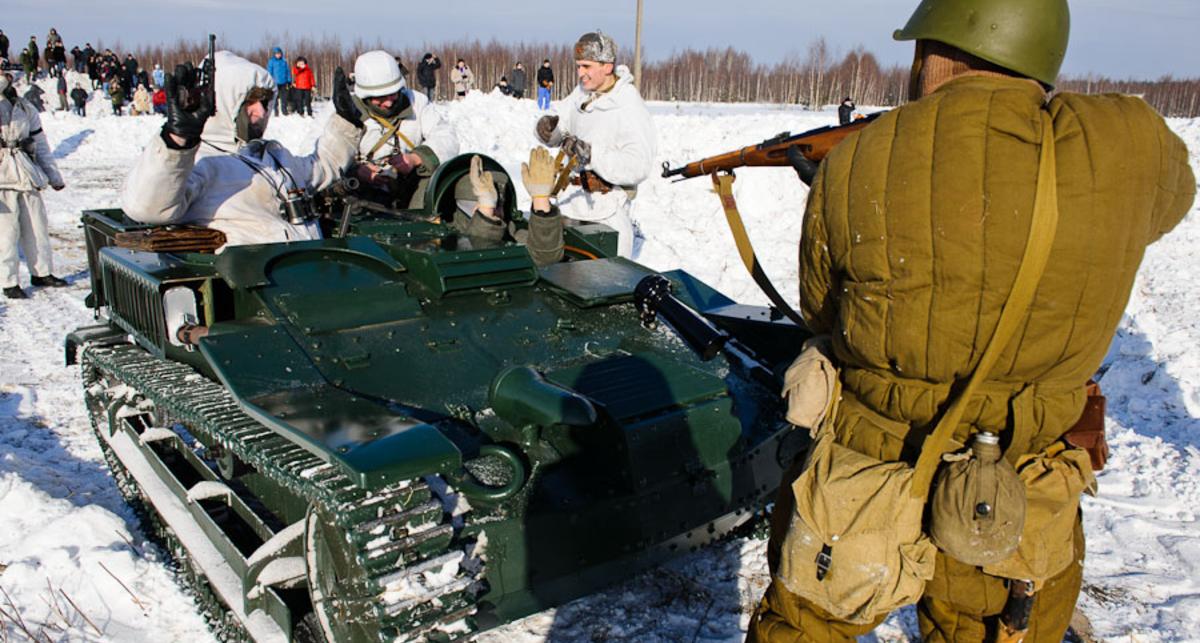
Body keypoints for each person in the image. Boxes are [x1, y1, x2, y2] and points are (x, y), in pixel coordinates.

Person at [745, 1, 1196, 642]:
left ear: (940, 53)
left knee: (804, 629)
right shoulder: (1125, 147)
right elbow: (1173, 194)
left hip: (868, 480)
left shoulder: (854, 165)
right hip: (1023, 490)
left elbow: (823, 312)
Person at [122, 51, 364, 248]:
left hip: (300, 274)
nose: (260, 112)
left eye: (264, 102)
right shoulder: (202, 163)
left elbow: (323, 167)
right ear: (222, 104)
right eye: (249, 102)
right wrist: (177, 140)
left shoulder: (273, 158)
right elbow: (149, 207)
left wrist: (346, 123)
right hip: (248, 288)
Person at [533, 31, 655, 258]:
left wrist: (593, 155)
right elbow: (562, 127)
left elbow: (639, 165)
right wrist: (549, 130)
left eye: (586, 66)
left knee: (608, 286)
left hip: (606, 216)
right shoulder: (581, 94)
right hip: (569, 207)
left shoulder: (628, 105)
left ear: (607, 67)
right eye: (578, 66)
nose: (580, 73)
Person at [348, 50, 458, 210]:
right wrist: (357, 172)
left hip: (410, 195)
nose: (388, 103)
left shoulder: (417, 103)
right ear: (364, 96)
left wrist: (415, 158)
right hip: (361, 200)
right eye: (380, 97)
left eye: (393, 94)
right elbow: (326, 161)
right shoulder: (347, 113)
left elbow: (447, 137)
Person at [1, 72, 68, 299]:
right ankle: (8, 281)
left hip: (26, 172)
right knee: (6, 233)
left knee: (36, 227)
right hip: (2, 177)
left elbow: (40, 144)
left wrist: (53, 176)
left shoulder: (24, 106)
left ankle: (41, 272)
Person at [266, 46, 291, 115]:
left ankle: (284, 110)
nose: (278, 55)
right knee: (275, 97)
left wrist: (288, 80)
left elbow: (287, 71)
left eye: (279, 53)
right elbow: (269, 71)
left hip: (283, 81)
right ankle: (275, 111)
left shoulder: (283, 61)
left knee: (284, 97)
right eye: (276, 53)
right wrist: (269, 80)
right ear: (274, 54)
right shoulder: (271, 61)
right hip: (275, 82)